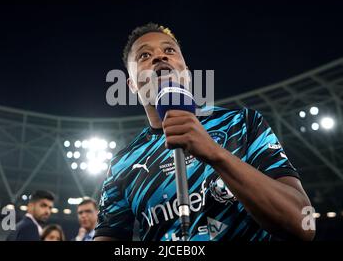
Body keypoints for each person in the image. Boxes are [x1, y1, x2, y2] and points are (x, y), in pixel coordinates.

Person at [94, 23, 315, 241]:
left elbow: (304, 225)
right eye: (144, 55)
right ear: (132, 85)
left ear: (187, 73)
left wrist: (216, 154)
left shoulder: (242, 123)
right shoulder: (121, 165)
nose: (160, 57)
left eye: (169, 50)